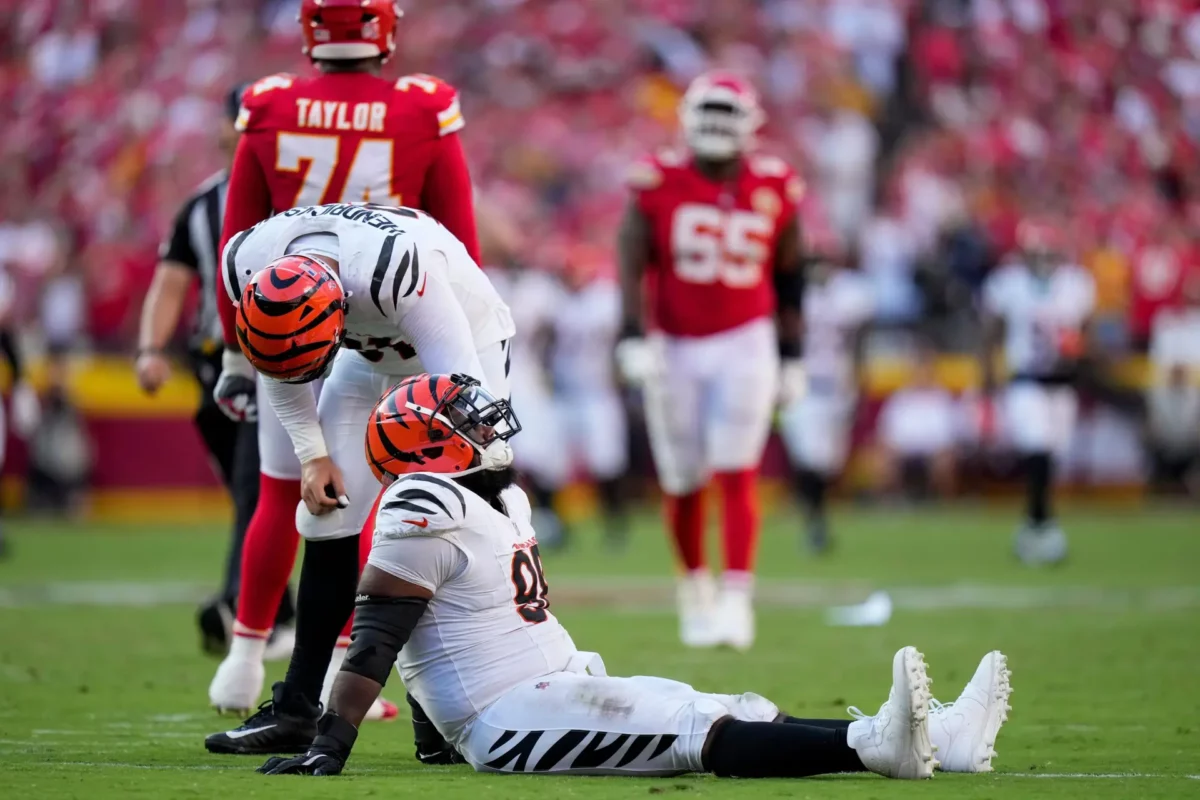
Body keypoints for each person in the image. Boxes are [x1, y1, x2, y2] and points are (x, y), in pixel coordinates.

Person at [255, 373, 1013, 780]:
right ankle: (872, 748)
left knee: (730, 702)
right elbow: (383, 635)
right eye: (466, 422)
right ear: (430, 448)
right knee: (695, 731)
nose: (486, 427)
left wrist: (429, 740)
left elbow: (440, 622)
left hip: (553, 681)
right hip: (511, 714)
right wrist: (333, 741)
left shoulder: (494, 499)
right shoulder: (421, 499)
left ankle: (933, 737)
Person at [206, 0, 479, 728]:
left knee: (296, 492)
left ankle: (252, 655)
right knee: (328, 497)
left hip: (400, 314)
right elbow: (464, 227)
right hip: (337, 315)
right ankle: (306, 689)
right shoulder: (420, 107)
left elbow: (458, 281)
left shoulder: (270, 107)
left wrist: (238, 351)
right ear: (384, 31)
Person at [203, 203, 513, 757]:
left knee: (449, 511)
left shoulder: (396, 270)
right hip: (366, 353)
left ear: (339, 308)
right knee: (328, 512)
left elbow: (461, 388)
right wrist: (312, 454)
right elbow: (279, 362)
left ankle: (441, 712)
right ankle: (297, 706)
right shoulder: (247, 260)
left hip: (458, 348)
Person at [617, 72, 805, 650]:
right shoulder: (658, 180)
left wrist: (793, 352)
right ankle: (694, 587)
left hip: (747, 336)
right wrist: (631, 333)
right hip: (674, 340)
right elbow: (631, 262)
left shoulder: (776, 184)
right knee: (682, 475)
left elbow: (792, 274)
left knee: (737, 465)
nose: (718, 128)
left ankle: (737, 595)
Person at [135, 84, 295, 657]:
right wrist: (150, 349)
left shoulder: (300, 195)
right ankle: (284, 607)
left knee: (259, 489)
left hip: (281, 363)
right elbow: (172, 281)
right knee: (248, 489)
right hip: (214, 365)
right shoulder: (204, 204)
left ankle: (245, 609)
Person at [980, 219, 1095, 565]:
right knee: (1038, 451)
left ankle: (1032, 526)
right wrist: (988, 374)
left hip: (1062, 384)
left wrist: (1076, 353)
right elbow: (991, 330)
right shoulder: (1008, 284)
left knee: (1050, 460)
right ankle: (1046, 527)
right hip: (1025, 381)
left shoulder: (1076, 284)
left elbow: (1083, 334)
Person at [779, 236, 874, 552]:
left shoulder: (849, 293)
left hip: (837, 386)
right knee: (808, 458)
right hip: (803, 384)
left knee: (828, 463)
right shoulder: (793, 293)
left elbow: (860, 339)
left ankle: (816, 518)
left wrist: (860, 378)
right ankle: (815, 524)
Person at [551, 249, 629, 547]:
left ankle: (615, 523)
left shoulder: (605, 299)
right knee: (554, 462)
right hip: (564, 391)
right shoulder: (555, 300)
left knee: (606, 459)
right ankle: (557, 525)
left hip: (598, 391)